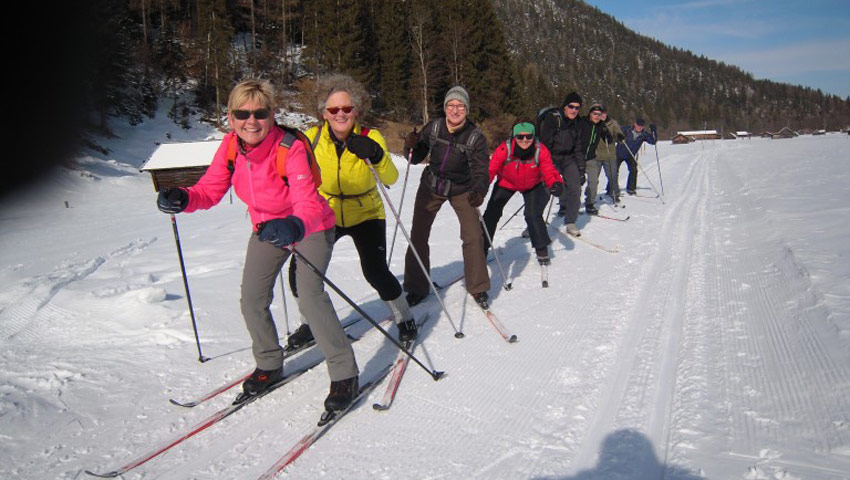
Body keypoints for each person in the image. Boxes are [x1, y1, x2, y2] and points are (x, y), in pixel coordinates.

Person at [156, 79, 360, 413]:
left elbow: (307, 203)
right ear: (231, 117)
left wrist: (294, 224)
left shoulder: (290, 147)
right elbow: (209, 189)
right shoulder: (231, 147)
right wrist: (183, 197)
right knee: (252, 298)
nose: (251, 121)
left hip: (309, 226)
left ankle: (344, 373)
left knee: (309, 297)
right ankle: (269, 362)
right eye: (242, 113)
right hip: (266, 229)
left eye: (260, 113)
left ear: (272, 114)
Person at [286, 75, 418, 346]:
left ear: (355, 111)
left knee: (375, 271)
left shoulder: (371, 136)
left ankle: (404, 317)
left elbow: (391, 178)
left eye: (347, 109)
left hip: (366, 211)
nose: (341, 114)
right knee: (300, 269)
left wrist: (377, 154)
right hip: (325, 211)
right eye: (334, 110)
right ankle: (310, 323)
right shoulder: (311, 138)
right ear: (324, 113)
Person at [402, 86, 491, 309]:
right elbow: (416, 157)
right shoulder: (434, 127)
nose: (455, 110)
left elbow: (481, 169)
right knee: (418, 234)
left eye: (460, 106)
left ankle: (478, 287)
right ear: (445, 108)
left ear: (467, 110)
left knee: (473, 236)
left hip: (463, 189)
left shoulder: (475, 137)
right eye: (451, 105)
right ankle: (416, 287)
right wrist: (411, 145)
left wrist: (479, 190)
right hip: (431, 185)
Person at [481, 122, 563, 265]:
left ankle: (541, 249)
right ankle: (481, 249)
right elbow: (490, 169)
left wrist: (555, 183)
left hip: (532, 184)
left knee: (532, 215)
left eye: (528, 137)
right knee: (491, 213)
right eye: (520, 137)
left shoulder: (540, 150)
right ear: (514, 137)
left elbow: (549, 170)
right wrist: (481, 186)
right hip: (506, 183)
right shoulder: (504, 149)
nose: (524, 141)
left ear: (534, 137)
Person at [539, 91, 587, 237]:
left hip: (568, 158)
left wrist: (581, 168)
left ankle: (570, 221)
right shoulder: (552, 119)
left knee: (575, 188)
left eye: (577, 108)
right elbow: (544, 145)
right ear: (565, 106)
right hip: (551, 158)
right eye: (571, 106)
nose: (574, 110)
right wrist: (546, 167)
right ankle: (534, 222)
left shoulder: (578, 122)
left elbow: (578, 147)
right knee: (546, 190)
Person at [581, 102, 612, 215]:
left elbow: (609, 138)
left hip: (591, 158)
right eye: (594, 113)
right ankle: (565, 205)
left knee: (593, 181)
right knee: (574, 182)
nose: (597, 116)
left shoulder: (601, 125)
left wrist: (607, 135)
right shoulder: (582, 122)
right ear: (590, 114)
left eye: (599, 114)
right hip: (577, 157)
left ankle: (590, 203)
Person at [616, 117, 657, 195]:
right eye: (638, 125)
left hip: (630, 155)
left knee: (633, 170)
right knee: (614, 171)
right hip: (619, 153)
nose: (639, 127)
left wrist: (653, 131)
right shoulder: (627, 129)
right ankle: (611, 189)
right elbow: (616, 132)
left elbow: (653, 141)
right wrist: (618, 138)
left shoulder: (644, 134)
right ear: (635, 124)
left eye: (641, 126)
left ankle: (631, 189)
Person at [597, 106, 624, 203]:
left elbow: (618, 132)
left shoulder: (613, 123)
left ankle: (615, 194)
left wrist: (620, 136)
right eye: (600, 113)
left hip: (610, 154)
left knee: (612, 175)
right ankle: (590, 199)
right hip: (596, 155)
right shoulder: (594, 123)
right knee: (593, 179)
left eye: (604, 113)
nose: (602, 115)